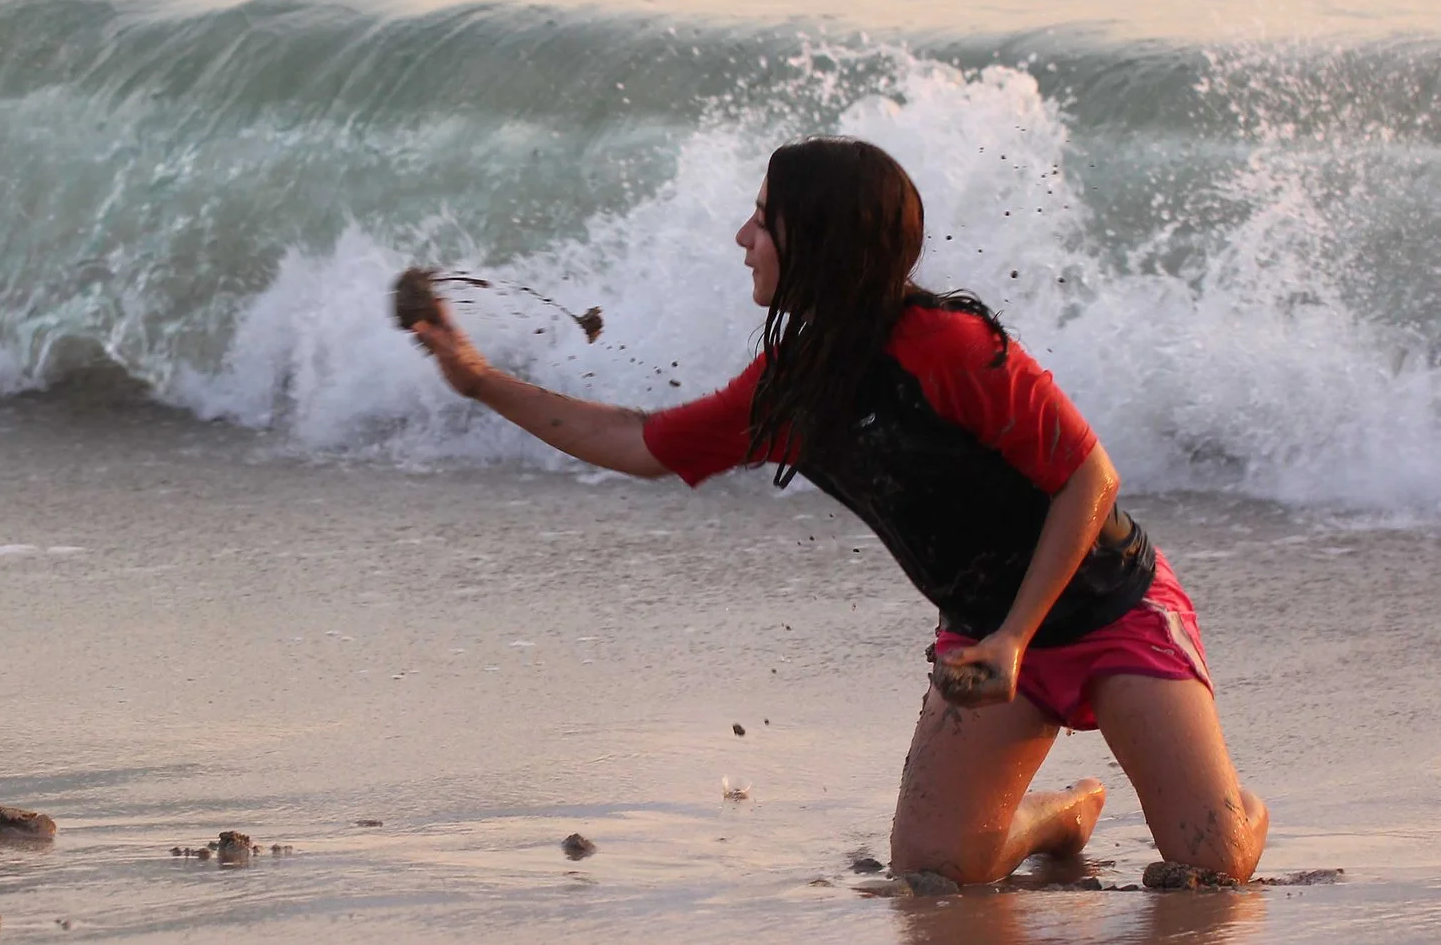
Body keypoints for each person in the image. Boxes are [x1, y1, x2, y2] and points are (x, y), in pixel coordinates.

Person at [407, 137, 1267, 884]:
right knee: (936, 871)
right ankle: (1057, 815)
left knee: (1211, 866)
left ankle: (1224, 802)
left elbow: (1092, 481)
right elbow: (639, 443)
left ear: (818, 241)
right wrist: (478, 381)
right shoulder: (793, 389)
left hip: (1111, 611)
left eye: (762, 220)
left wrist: (1018, 634)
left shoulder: (953, 347)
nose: (742, 239)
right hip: (984, 639)